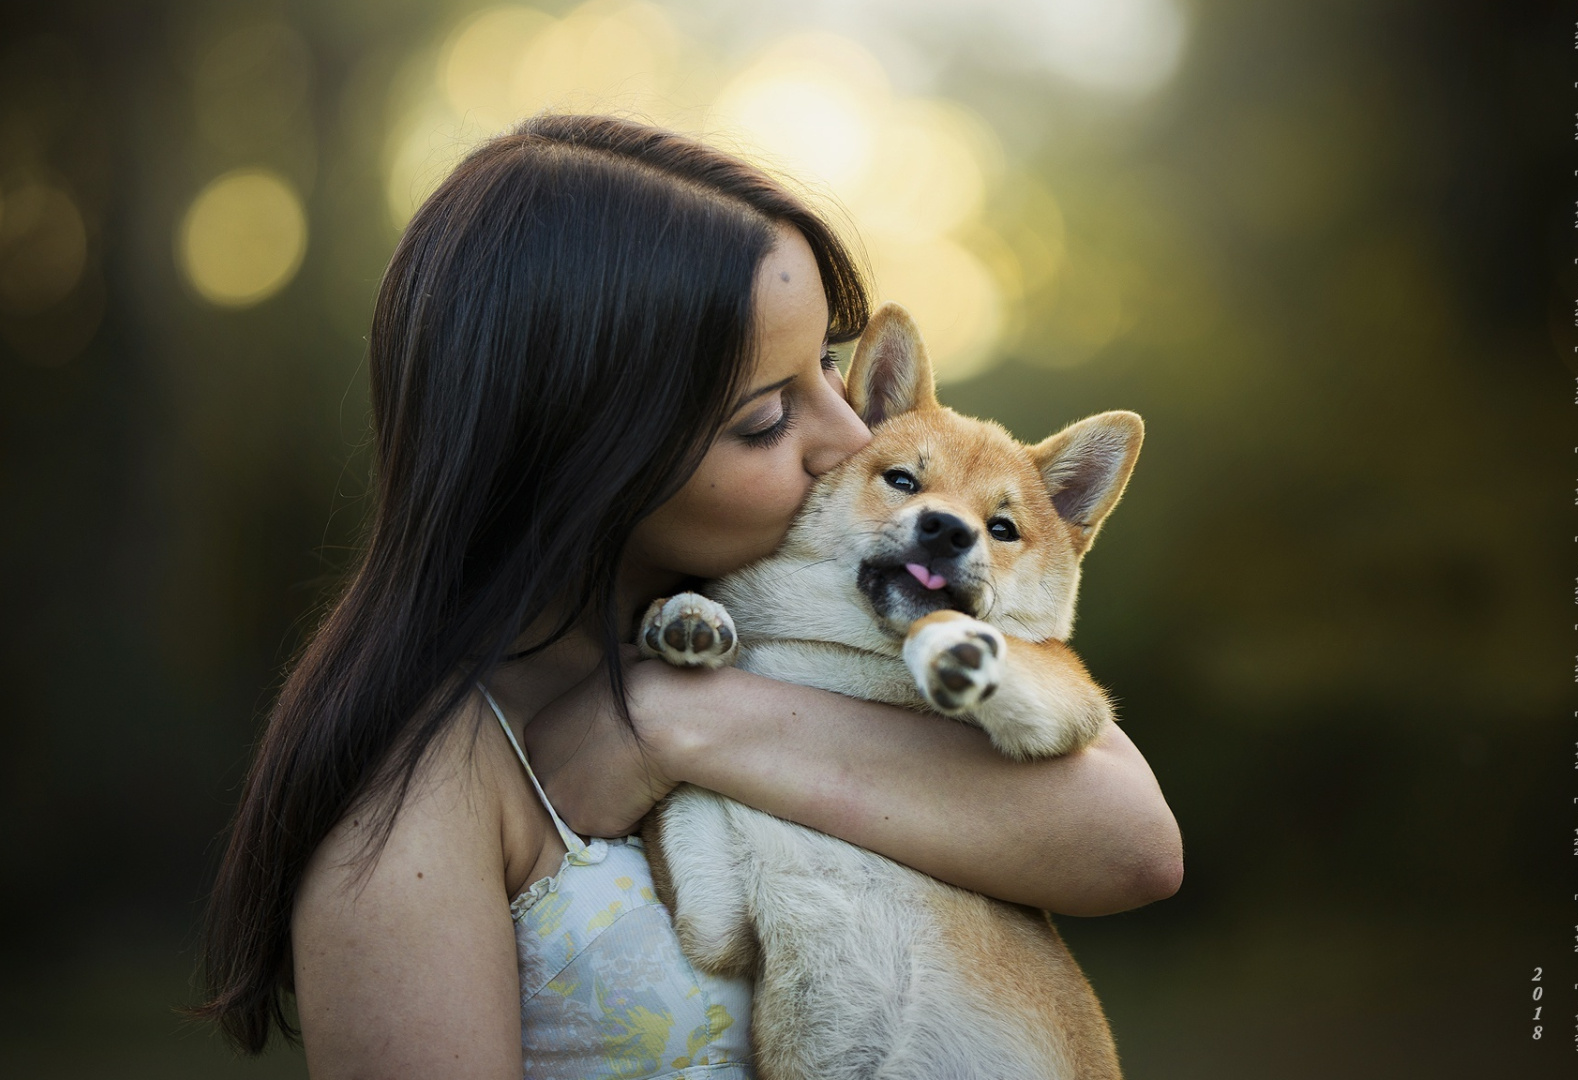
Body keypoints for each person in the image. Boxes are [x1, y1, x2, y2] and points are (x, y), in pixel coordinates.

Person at [194, 113, 1183, 1079]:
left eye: (827, 363)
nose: (852, 436)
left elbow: (1135, 845)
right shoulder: (413, 802)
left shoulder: (812, 627)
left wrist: (676, 722)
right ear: (590, 453)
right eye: (767, 416)